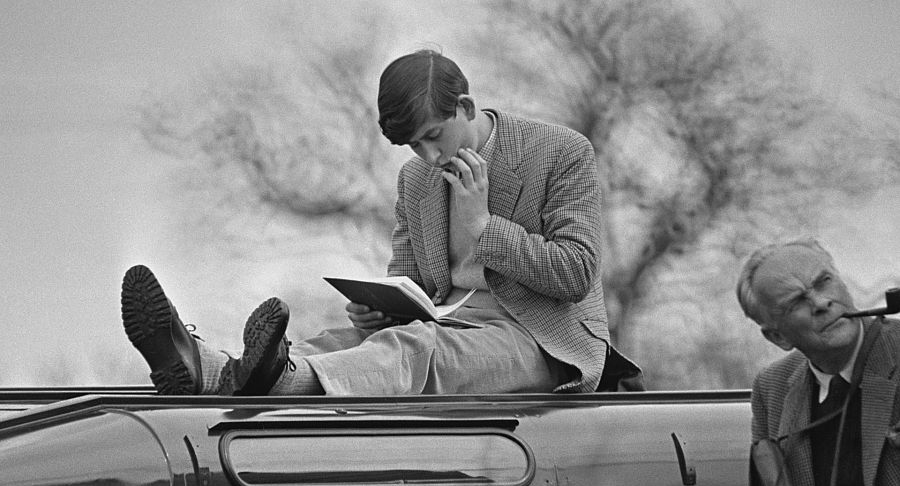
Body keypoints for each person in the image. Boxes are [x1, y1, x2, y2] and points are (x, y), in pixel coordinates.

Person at [121, 49, 642, 397]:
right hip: (449, 326)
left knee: (413, 350)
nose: (428, 155)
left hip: (540, 339)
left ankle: (274, 383)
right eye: (414, 145)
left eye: (434, 136)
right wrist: (376, 310)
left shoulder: (559, 152)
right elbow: (412, 289)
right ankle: (211, 372)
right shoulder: (417, 181)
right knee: (337, 342)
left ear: (465, 106)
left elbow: (576, 273)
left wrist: (485, 228)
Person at [736, 238, 900, 486]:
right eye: (796, 301)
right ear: (778, 337)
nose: (821, 303)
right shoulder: (772, 388)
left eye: (824, 281)